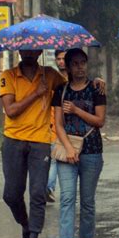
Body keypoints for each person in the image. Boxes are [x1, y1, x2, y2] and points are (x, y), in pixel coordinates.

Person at [0, 49, 106, 238]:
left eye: (33, 49)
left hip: (40, 141)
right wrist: (37, 93)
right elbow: (11, 111)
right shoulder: (8, 76)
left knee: (39, 193)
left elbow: (71, 84)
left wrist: (97, 81)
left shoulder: (49, 75)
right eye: (24, 49)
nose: (28, 53)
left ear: (39, 51)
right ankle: (26, 225)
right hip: (13, 139)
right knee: (11, 195)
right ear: (19, 51)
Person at [52, 48, 106, 238]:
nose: (80, 67)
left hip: (92, 150)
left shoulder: (96, 89)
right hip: (68, 150)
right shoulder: (61, 90)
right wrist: (68, 149)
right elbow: (58, 125)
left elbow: (99, 121)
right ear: (68, 66)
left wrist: (76, 110)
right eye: (75, 63)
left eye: (82, 62)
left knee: (87, 200)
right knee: (66, 197)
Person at [46, 50, 68, 203]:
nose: (61, 61)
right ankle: (48, 187)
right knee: (54, 159)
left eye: (64, 59)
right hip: (53, 124)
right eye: (58, 59)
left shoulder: (73, 79)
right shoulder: (52, 78)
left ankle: (49, 187)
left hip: (70, 126)